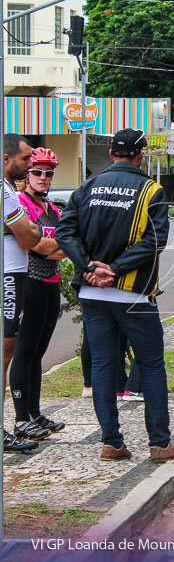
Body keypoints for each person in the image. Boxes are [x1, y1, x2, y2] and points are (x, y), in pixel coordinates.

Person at [55, 128, 174, 463]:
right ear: (141, 155)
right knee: (151, 364)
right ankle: (159, 443)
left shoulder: (86, 188)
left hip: (91, 292)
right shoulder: (151, 191)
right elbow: (155, 242)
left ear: (112, 154)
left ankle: (111, 443)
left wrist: (88, 266)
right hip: (133, 294)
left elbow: (64, 232)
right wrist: (114, 268)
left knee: (102, 365)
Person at [10, 147, 68, 440]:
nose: (43, 178)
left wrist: (60, 249)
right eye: (37, 172)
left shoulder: (54, 210)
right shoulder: (19, 204)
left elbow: (66, 248)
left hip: (51, 285)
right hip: (29, 283)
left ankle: (34, 412)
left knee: (39, 352)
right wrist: (60, 248)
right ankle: (21, 418)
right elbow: (37, 246)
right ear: (27, 175)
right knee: (25, 349)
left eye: (48, 173)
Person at [2, 134, 42, 452]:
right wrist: (30, 227)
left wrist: (29, 228)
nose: (31, 164)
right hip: (8, 274)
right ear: (6, 158)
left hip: (15, 272)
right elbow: (29, 237)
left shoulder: (9, 190)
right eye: (26, 159)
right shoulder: (5, 193)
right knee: (6, 349)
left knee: (9, 348)